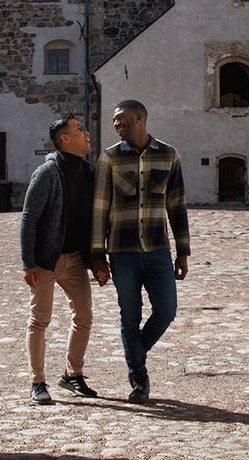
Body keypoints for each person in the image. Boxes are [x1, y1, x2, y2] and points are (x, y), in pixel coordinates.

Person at [92, 99, 190, 403]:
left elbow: (177, 205)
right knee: (129, 316)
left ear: (139, 118)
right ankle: (139, 376)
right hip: (121, 253)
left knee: (167, 311)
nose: (116, 124)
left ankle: (135, 354)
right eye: (113, 120)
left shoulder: (169, 155)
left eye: (121, 119)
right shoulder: (110, 158)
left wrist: (183, 251)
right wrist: (97, 255)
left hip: (158, 250)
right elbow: (99, 209)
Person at [19, 115, 108, 405]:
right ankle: (37, 381)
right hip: (46, 261)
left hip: (76, 260)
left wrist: (97, 259)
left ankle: (72, 374)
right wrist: (27, 262)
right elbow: (29, 218)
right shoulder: (47, 172)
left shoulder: (89, 172)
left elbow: (94, 219)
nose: (86, 133)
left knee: (84, 317)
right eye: (79, 129)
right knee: (39, 320)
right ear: (65, 139)